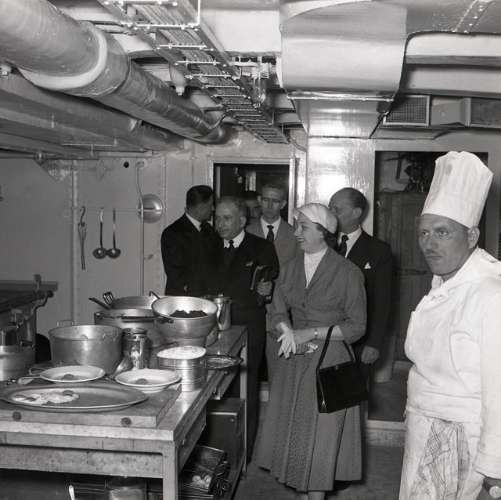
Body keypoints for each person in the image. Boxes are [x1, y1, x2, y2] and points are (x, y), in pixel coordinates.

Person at [399, 151, 501, 500]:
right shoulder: (443, 283)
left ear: (472, 237)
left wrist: (494, 469)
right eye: (424, 233)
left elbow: (499, 391)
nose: (429, 243)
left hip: (457, 437)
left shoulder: (490, 294)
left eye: (442, 232)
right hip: (426, 425)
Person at [256, 203, 367, 500]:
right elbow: (277, 311)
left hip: (330, 363)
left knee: (322, 442)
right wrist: (286, 331)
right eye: (297, 226)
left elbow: (357, 326)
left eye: (303, 227)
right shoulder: (290, 268)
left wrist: (313, 332)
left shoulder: (348, 272)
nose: (297, 232)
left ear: (323, 232)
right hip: (294, 361)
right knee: (297, 436)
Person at [210, 196, 279, 462]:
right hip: (212, 330)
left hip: (248, 329)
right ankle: (214, 454)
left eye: (227, 218)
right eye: (217, 218)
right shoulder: (206, 247)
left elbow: (268, 285)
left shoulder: (262, 248)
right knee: (212, 390)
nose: (220, 224)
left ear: (242, 220)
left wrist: (265, 291)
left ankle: (243, 455)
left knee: (246, 389)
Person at [328, 188, 393, 376]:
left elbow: (382, 302)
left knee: (353, 389)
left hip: (360, 340)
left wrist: (374, 343)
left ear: (356, 213)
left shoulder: (379, 251)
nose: (330, 213)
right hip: (323, 334)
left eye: (337, 209)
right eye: (329, 208)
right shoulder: (321, 245)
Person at [247, 182, 299, 380]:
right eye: (265, 200)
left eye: (275, 201)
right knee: (248, 372)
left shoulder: (295, 235)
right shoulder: (245, 231)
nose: (269, 206)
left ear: (283, 204)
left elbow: (297, 276)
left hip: (282, 314)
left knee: (279, 374)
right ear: (259, 200)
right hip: (251, 312)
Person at [160, 185, 219, 296]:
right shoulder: (172, 233)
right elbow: (177, 275)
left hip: (206, 298)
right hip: (183, 300)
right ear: (200, 207)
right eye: (210, 205)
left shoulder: (209, 230)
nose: (213, 209)